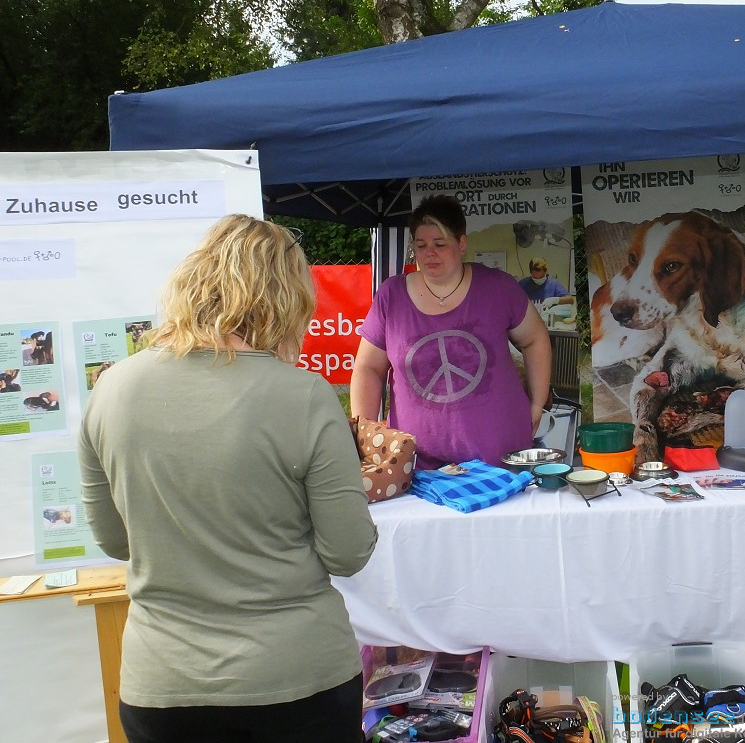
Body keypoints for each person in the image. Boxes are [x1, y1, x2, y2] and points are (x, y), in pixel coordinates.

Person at [79, 215, 378, 743]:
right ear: (286, 298)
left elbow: (115, 540)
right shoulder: (303, 395)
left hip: (164, 683)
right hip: (294, 675)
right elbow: (348, 552)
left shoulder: (111, 389)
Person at [350, 195, 552, 470]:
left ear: (461, 243)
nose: (429, 253)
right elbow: (368, 368)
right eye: (421, 245)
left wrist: (537, 403)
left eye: (439, 244)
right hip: (415, 463)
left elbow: (534, 339)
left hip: (500, 458)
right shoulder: (391, 296)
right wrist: (366, 436)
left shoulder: (498, 288)